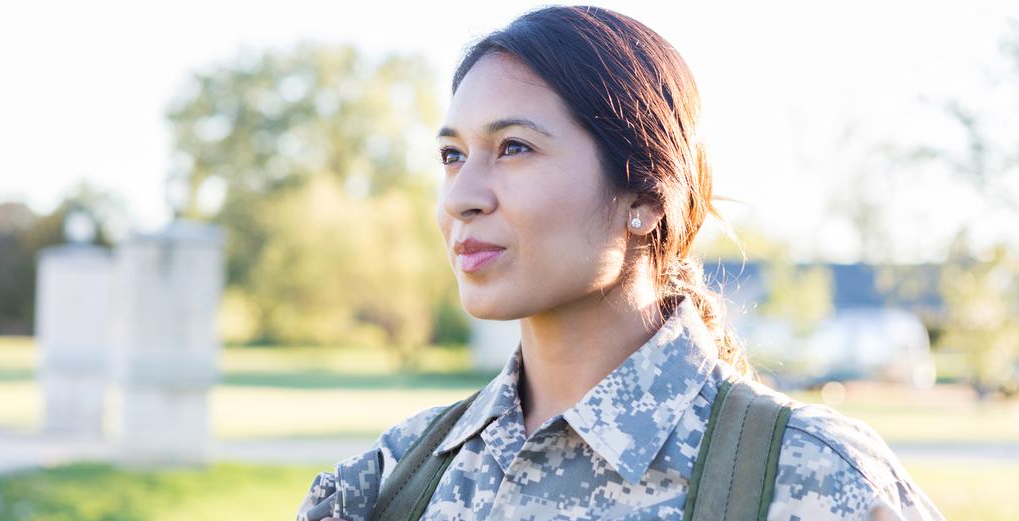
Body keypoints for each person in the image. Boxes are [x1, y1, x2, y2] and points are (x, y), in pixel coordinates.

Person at [297, 6, 944, 521]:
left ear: (643, 196)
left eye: (514, 147)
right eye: (452, 155)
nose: (461, 197)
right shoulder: (387, 483)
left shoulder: (813, 481)